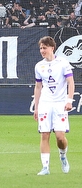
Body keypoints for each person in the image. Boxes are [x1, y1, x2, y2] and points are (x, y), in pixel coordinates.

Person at [33, 36, 74, 175]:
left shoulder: (63, 63)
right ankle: (45, 167)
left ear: (52, 48)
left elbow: (70, 82)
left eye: (44, 48)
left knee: (60, 137)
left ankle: (63, 155)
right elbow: (38, 87)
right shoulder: (39, 66)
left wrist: (69, 100)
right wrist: (37, 107)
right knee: (44, 134)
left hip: (60, 103)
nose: (42, 51)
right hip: (45, 103)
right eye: (40, 48)